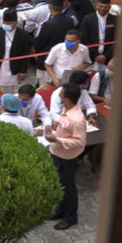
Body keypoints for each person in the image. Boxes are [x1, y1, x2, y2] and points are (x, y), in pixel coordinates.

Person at [43, 82, 86, 231]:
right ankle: (61, 210)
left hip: (66, 158)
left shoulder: (76, 119)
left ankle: (71, 217)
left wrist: (57, 139)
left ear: (67, 99)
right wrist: (55, 127)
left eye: (60, 95)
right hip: (57, 153)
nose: (58, 96)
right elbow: (65, 129)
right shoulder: (65, 110)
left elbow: (79, 141)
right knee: (60, 185)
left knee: (68, 188)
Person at [0, 9, 33, 93]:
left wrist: (23, 72)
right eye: (5, 23)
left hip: (12, 69)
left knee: (9, 94)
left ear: (16, 22)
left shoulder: (23, 35)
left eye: (9, 23)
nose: (6, 25)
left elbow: (25, 55)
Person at [79, 0, 116, 71]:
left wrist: (106, 56)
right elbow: (84, 39)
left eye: (106, 7)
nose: (103, 9)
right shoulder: (87, 19)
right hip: (91, 59)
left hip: (107, 61)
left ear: (109, 7)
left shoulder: (115, 20)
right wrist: (96, 55)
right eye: (100, 6)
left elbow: (116, 40)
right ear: (96, 5)